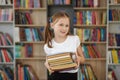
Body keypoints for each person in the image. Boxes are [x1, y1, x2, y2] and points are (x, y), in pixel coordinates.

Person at [44, 11, 85, 80]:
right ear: (52, 25)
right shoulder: (48, 45)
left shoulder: (74, 39)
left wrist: (78, 59)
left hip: (72, 76)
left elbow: (83, 59)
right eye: (61, 25)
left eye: (67, 25)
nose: (64, 28)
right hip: (55, 76)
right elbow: (48, 61)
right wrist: (46, 64)